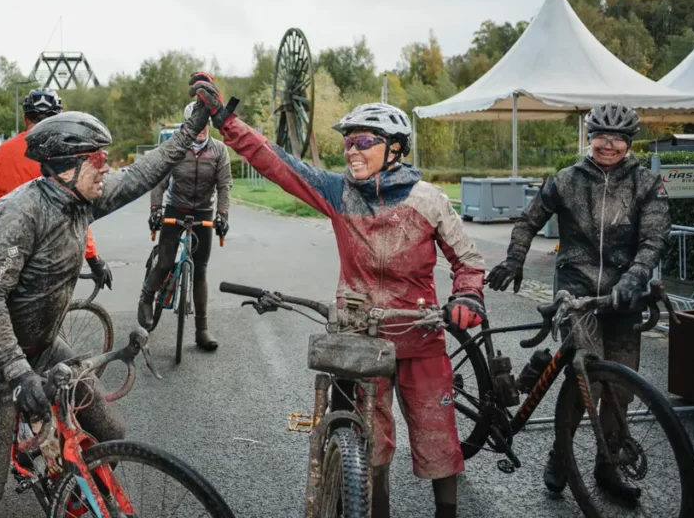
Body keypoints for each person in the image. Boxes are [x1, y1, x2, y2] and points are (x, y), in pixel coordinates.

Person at [189, 76, 486, 518]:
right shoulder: (337, 192)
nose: (351, 149)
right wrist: (227, 122)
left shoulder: (429, 200)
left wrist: (467, 296)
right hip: (357, 336)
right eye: (348, 141)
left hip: (420, 335)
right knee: (370, 445)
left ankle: (448, 511)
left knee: (436, 436)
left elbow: (468, 261)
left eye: (363, 140)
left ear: (395, 147)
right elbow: (277, 162)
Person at [0, 100, 211, 517]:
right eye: (98, 159)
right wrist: (17, 373)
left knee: (111, 429)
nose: (106, 167)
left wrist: (191, 127)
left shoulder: (80, 200)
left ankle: (77, 486)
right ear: (65, 166)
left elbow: (144, 172)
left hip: (45, 343)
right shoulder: (18, 214)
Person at [486, 102, 670, 503]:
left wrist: (635, 278)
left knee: (620, 390)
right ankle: (560, 456)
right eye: (601, 136)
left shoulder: (646, 184)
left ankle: (608, 468)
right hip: (576, 294)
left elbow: (653, 239)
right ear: (590, 138)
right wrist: (515, 258)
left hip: (624, 296)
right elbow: (528, 220)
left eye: (617, 138)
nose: (608, 145)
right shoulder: (566, 180)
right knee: (583, 379)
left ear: (628, 142)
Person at [0, 88, 112, 290]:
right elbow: (73, 211)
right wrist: (93, 259)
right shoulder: (57, 155)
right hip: (42, 251)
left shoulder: (2, 151)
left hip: (0, 244)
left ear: (26, 118)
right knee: (46, 312)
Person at [138, 101, 233, 350]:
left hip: (203, 211)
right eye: (196, 123)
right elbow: (159, 181)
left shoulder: (219, 151)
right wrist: (156, 210)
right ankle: (146, 299)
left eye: (205, 124)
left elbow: (224, 186)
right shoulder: (175, 148)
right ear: (188, 124)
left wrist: (222, 215)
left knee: (200, 270)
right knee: (166, 261)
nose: (201, 128)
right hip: (175, 209)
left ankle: (202, 330)